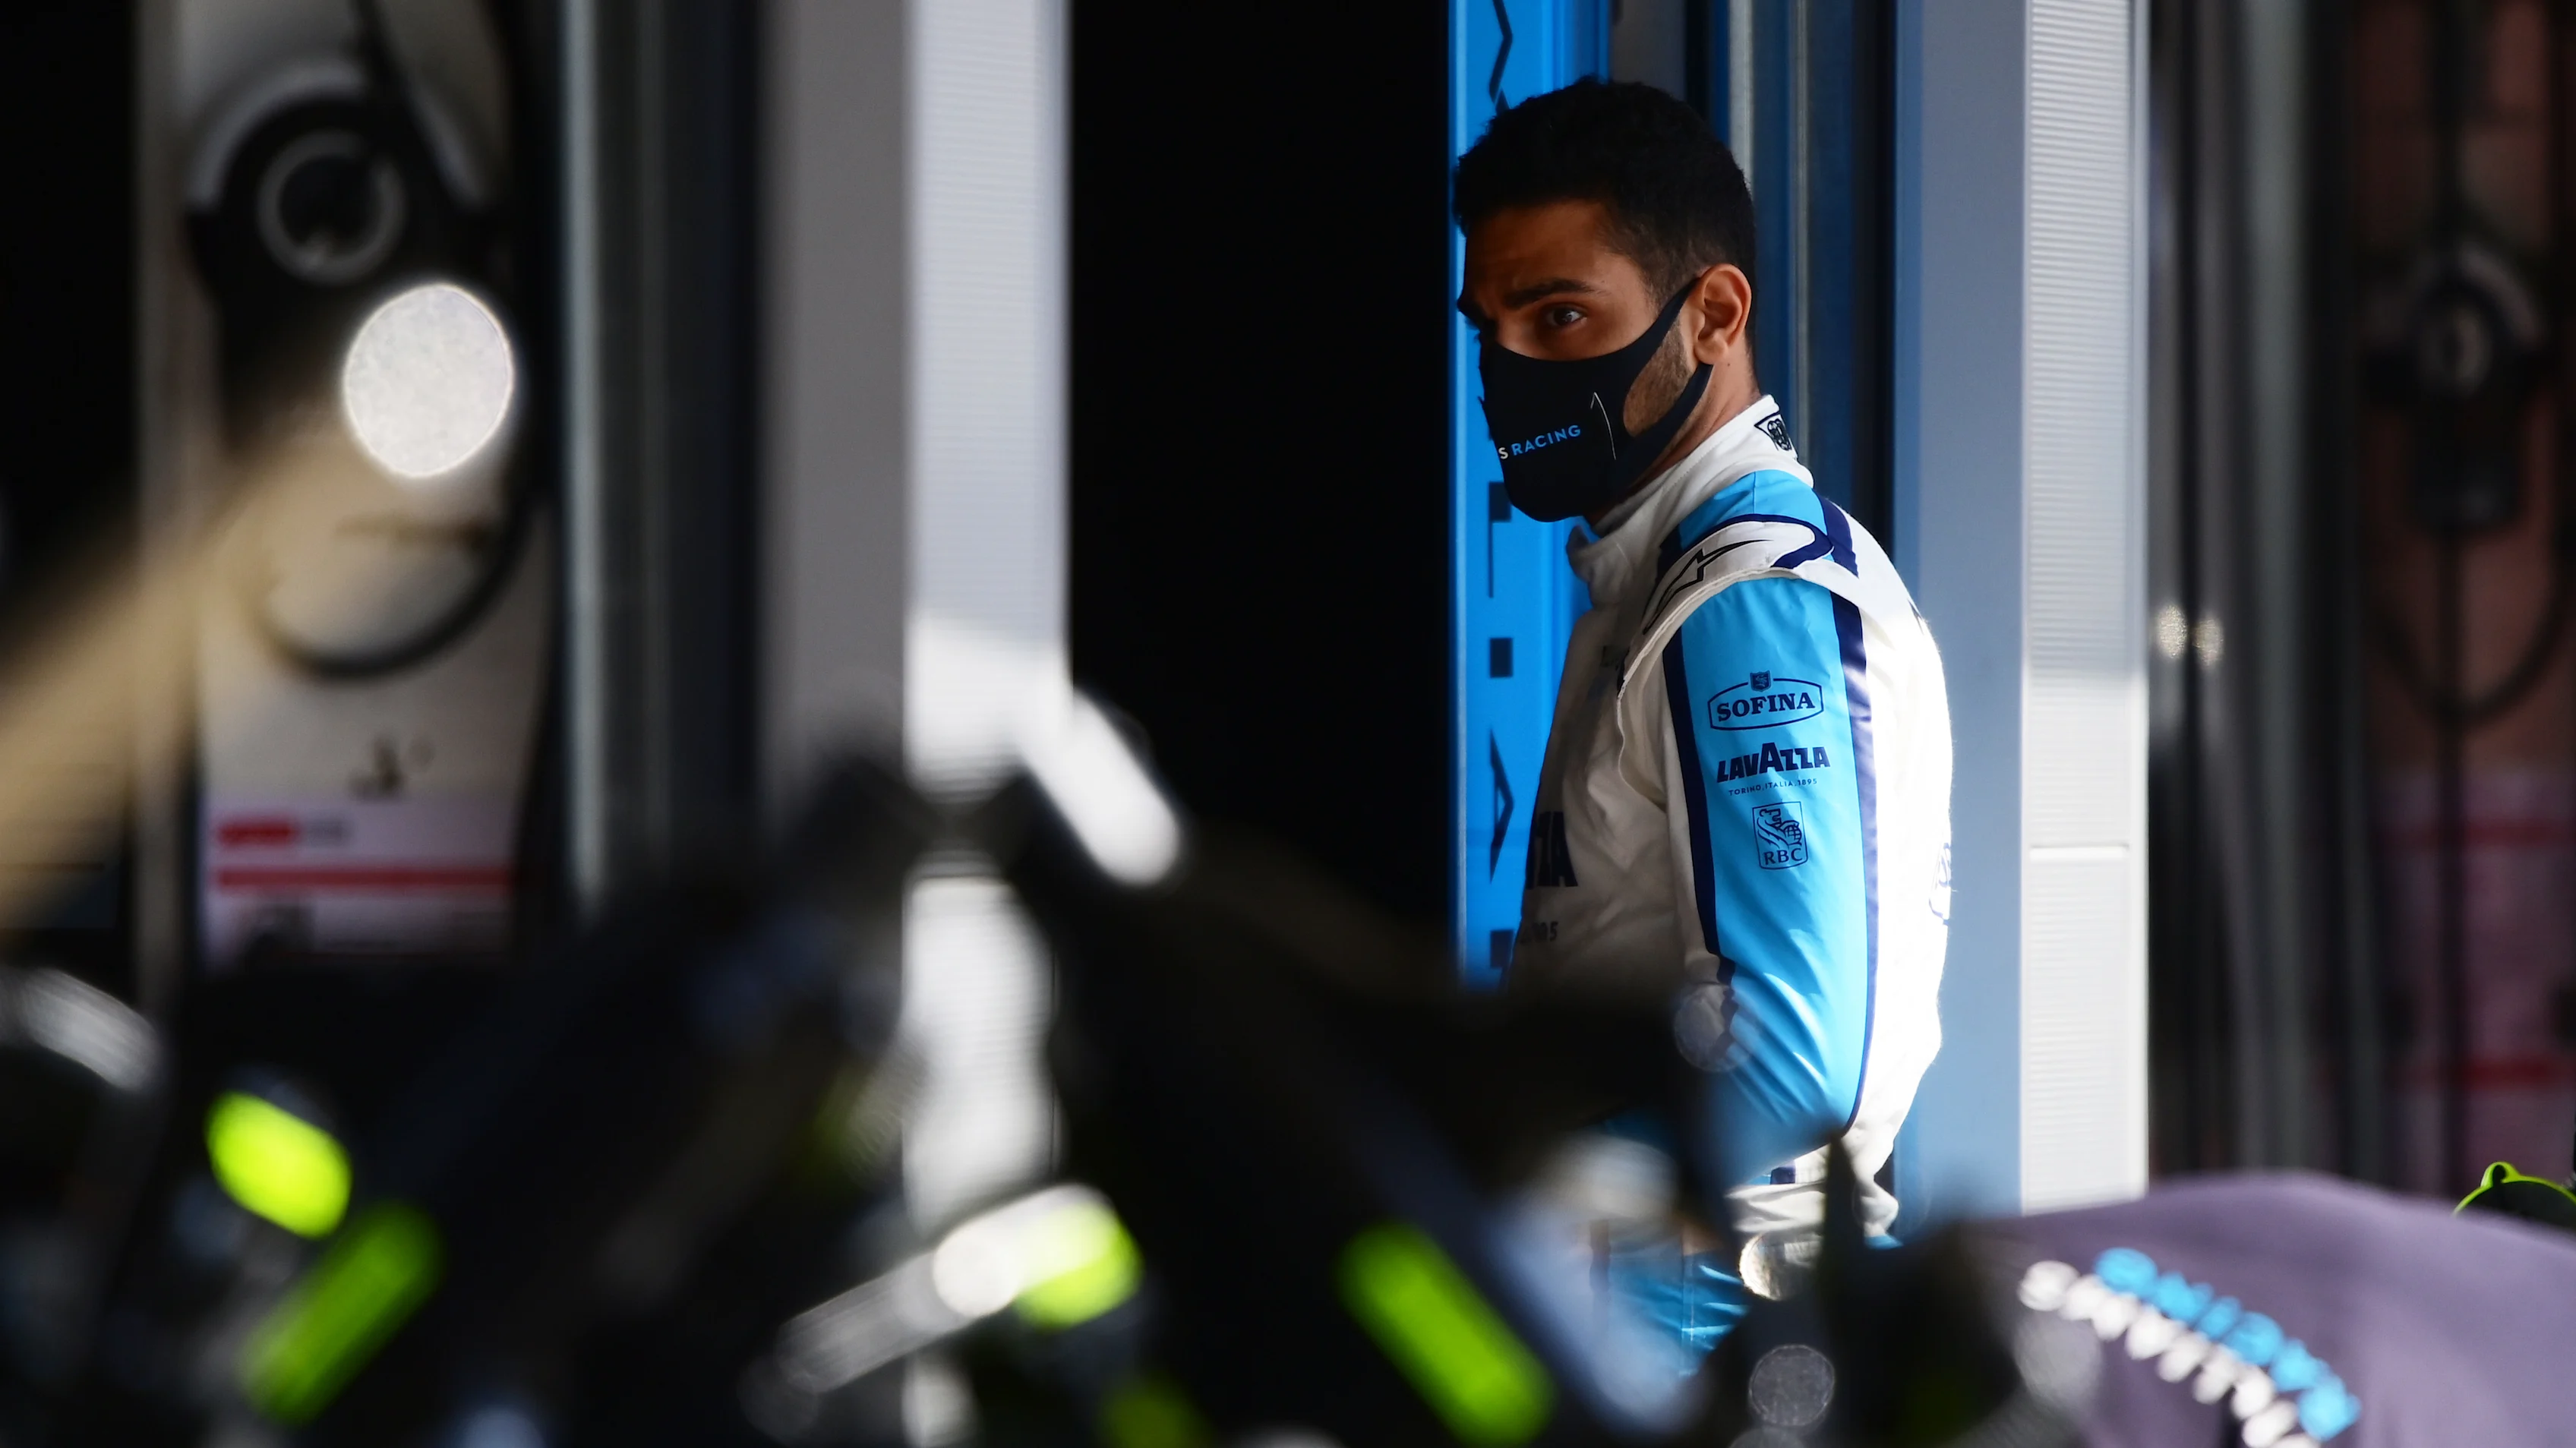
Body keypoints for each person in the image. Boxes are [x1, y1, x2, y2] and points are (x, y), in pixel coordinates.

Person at [1454, 79, 1953, 1347]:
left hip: (1700, 1332)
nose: (1510, 368)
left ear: (1715, 314)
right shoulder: (1665, 579)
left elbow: (1794, 1074)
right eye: (1489, 327)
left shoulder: (1751, 598)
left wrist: (1478, 1161)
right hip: (1647, 1306)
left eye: (1561, 315)